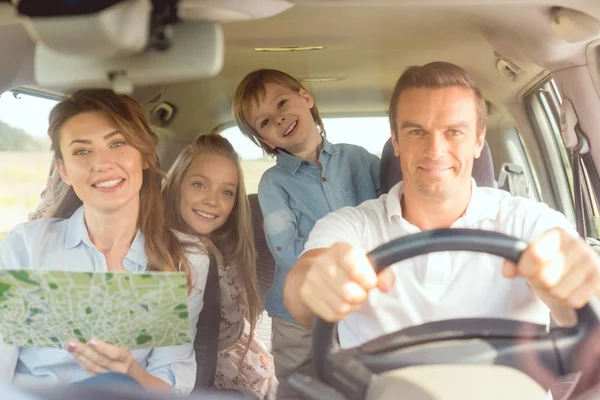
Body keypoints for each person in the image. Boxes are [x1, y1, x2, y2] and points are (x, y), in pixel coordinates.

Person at [283, 61, 600, 350]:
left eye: (454, 132)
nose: (435, 150)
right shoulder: (350, 226)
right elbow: (303, 289)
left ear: (478, 141)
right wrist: (315, 284)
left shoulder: (527, 220)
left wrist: (580, 277)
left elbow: (579, 283)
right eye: (417, 131)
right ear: (396, 141)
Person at [0, 89, 208, 394]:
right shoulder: (26, 248)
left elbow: (169, 389)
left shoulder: (184, 260)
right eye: (82, 151)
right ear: (64, 171)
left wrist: (131, 371)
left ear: (145, 156)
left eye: (118, 143)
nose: (103, 163)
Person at [232, 69, 381, 397]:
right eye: (266, 122)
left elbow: (392, 209)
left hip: (367, 301)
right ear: (265, 141)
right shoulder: (274, 183)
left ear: (306, 98)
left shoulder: (359, 158)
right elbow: (285, 249)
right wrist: (331, 270)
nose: (279, 119)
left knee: (367, 383)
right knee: (303, 385)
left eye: (282, 103)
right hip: (299, 315)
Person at [162, 134, 277, 399]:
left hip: (238, 370)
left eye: (226, 192)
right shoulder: (150, 244)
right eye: (199, 185)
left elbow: (228, 333)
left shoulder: (227, 248)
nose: (212, 200)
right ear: (177, 184)